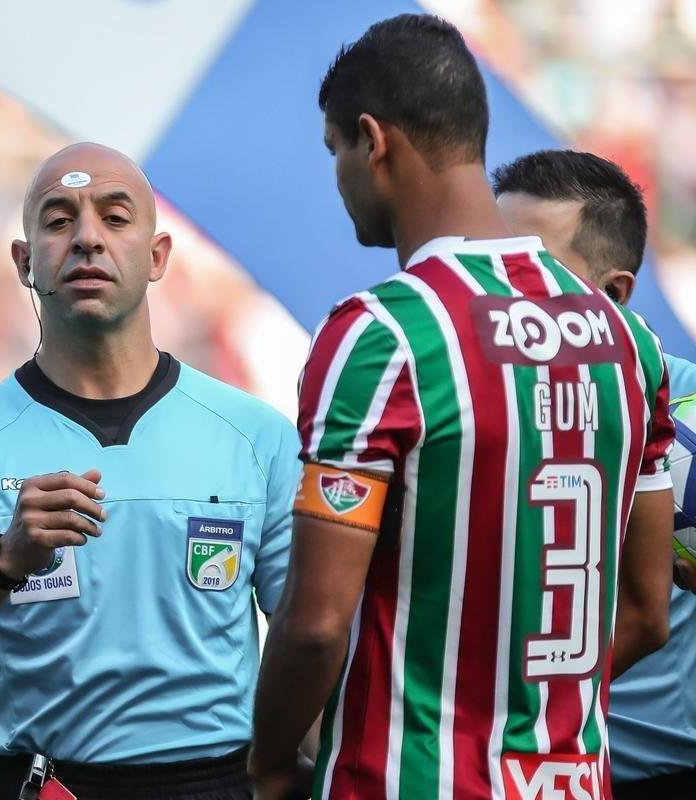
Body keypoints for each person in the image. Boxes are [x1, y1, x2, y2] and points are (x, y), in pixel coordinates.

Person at [250, 15, 675, 800]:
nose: (338, 174)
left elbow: (314, 626)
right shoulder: (629, 343)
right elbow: (649, 610)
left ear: (372, 141)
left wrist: (269, 763)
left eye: (334, 149)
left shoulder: (383, 335)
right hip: (572, 782)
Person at [0, 142, 300, 800]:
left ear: (158, 257)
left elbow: (314, 640)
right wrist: (0, 561)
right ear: (24, 262)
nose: (87, 239)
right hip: (41, 785)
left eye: (115, 216)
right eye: (57, 220)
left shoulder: (257, 436)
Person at [493, 148, 696, 800]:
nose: (499, 290)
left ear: (614, 294)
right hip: (488, 772)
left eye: (531, 270)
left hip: (648, 775)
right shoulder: (467, 407)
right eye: (494, 263)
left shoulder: (687, 418)